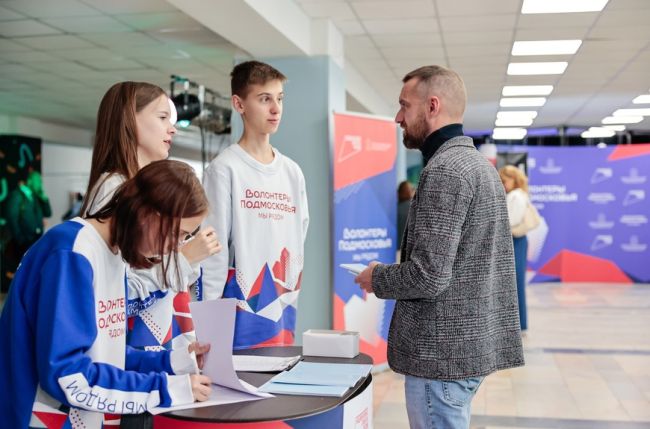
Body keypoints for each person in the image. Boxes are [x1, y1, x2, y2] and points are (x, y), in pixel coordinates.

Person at [354, 65, 524, 429]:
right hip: (464, 349)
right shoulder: (477, 166)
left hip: (440, 356)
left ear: (432, 106)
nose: (398, 117)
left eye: (404, 106)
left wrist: (376, 278)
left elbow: (427, 276)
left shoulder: (445, 171)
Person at [0, 160, 213, 428]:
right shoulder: (73, 252)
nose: (176, 246)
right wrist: (166, 389)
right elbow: (68, 376)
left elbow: (104, 354)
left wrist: (175, 361)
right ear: (148, 213)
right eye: (178, 234)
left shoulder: (112, 254)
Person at [80, 81, 221, 429]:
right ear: (130, 120)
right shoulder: (114, 191)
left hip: (146, 348)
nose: (171, 128)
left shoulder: (130, 185)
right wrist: (184, 258)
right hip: (128, 351)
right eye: (161, 117)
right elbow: (118, 289)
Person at [202, 61, 309, 349]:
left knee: (276, 385)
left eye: (279, 99)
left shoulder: (292, 172)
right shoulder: (224, 169)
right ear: (239, 104)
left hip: (283, 305)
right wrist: (206, 324)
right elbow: (213, 252)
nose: (276, 109)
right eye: (265, 99)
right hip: (239, 309)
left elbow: (299, 236)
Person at [499, 165, 530, 332]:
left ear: (513, 179)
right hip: (516, 241)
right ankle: (519, 323)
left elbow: (511, 220)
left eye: (504, 181)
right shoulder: (517, 195)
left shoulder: (516, 196)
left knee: (515, 283)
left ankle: (518, 323)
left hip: (515, 241)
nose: (503, 184)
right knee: (514, 283)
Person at [5, 170, 52, 264]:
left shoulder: (35, 196)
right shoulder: (17, 195)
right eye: (38, 181)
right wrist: (20, 240)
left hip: (36, 240)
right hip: (23, 244)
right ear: (30, 181)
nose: (40, 184)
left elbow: (48, 213)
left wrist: (45, 199)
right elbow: (12, 219)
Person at [397, 180, 414, 249]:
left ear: (399, 193)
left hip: (396, 249)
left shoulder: (394, 210)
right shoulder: (416, 207)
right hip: (411, 250)